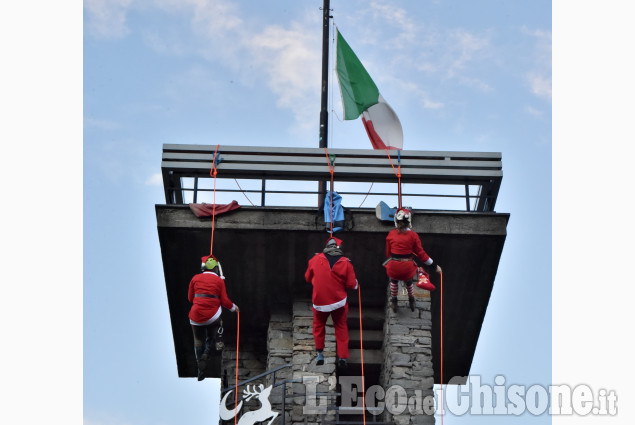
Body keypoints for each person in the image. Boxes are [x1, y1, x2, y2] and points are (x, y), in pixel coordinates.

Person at [305, 237, 359, 369]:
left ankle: (320, 353)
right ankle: (342, 357)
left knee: (318, 326)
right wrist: (357, 284)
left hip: (319, 302)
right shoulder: (346, 262)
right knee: (341, 327)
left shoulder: (314, 260)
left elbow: (307, 278)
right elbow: (352, 284)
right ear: (338, 248)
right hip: (338, 302)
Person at [188, 254, 239, 381]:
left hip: (196, 315)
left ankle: (200, 367)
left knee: (197, 339)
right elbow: (225, 301)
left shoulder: (195, 278)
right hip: (212, 316)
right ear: (216, 268)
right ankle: (206, 354)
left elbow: (190, 298)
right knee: (211, 335)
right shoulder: (219, 281)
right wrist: (234, 308)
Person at [384, 208, 442, 312]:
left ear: (396, 221)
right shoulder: (414, 236)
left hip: (393, 265)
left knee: (394, 279)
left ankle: (394, 300)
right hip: (407, 267)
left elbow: (388, 253)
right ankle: (411, 298)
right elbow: (422, 255)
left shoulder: (391, 234)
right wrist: (435, 266)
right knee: (408, 280)